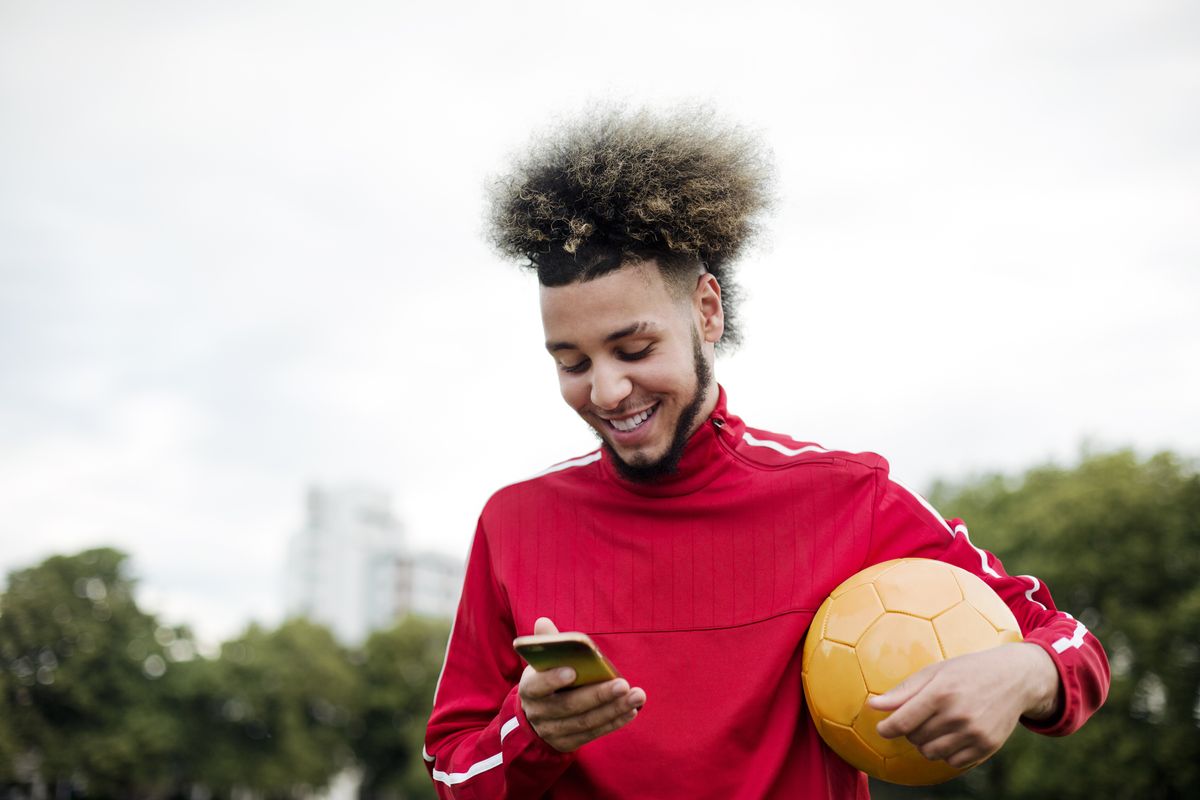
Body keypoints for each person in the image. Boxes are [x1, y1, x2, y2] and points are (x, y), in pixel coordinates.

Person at [423, 109, 1110, 799]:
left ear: (708, 312)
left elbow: (1072, 643)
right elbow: (452, 769)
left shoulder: (848, 495)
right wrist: (530, 731)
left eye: (635, 350)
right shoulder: (514, 524)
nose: (606, 389)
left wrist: (1023, 674)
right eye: (572, 362)